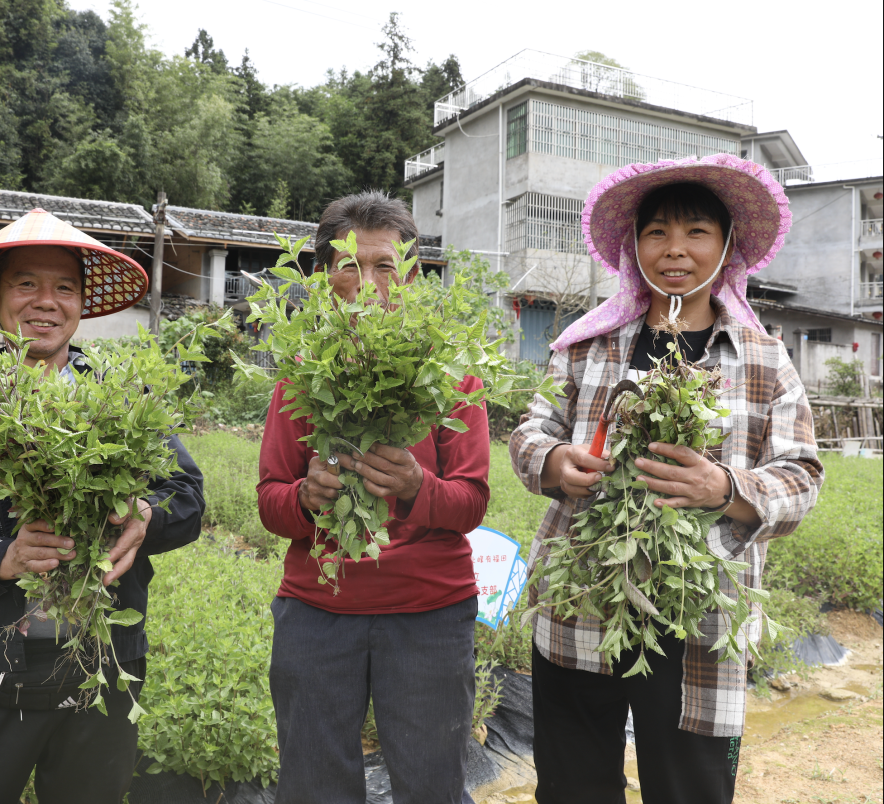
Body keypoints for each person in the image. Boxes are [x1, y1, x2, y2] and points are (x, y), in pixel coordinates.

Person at [510, 154, 824, 804]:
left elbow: (801, 479)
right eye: (657, 232)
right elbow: (528, 432)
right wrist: (554, 463)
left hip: (697, 621)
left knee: (689, 791)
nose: (674, 249)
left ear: (727, 246)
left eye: (695, 232)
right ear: (634, 246)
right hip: (582, 608)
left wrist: (725, 489)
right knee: (572, 789)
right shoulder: (587, 346)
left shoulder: (764, 360)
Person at [0, 209, 205, 804]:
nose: (45, 303)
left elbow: (187, 496)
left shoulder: (121, 398)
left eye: (64, 287)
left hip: (102, 663)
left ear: (81, 303)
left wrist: (146, 515)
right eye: (25, 283)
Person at [257, 191, 487, 804]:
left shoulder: (448, 374)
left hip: (429, 613)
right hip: (318, 611)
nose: (369, 281)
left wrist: (417, 490)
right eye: (349, 265)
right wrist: (306, 499)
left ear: (410, 274)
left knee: (430, 785)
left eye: (386, 265)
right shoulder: (301, 375)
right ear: (323, 278)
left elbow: (472, 500)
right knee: (313, 786)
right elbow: (269, 501)